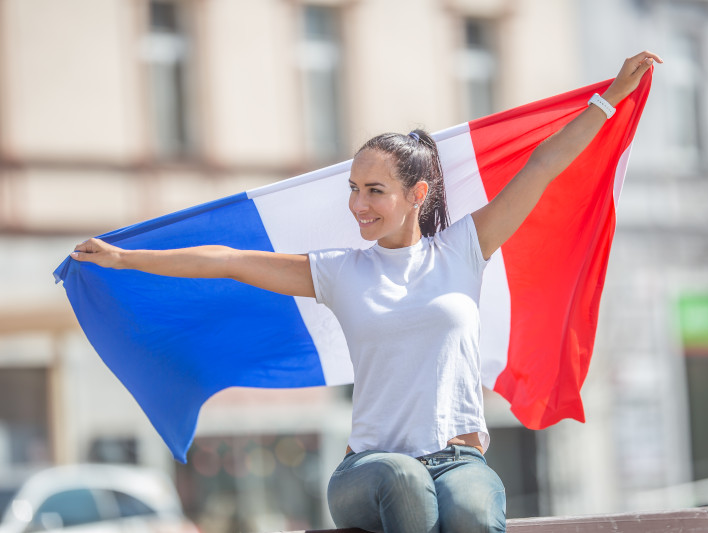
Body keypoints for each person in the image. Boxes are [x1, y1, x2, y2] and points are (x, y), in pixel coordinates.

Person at [71, 51, 662, 533]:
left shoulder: (463, 251)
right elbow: (231, 261)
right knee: (405, 485)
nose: (357, 205)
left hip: (458, 461)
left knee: (473, 511)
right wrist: (125, 258)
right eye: (353, 189)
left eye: (374, 190)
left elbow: (541, 166)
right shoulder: (340, 271)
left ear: (417, 193)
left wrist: (608, 99)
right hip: (370, 470)